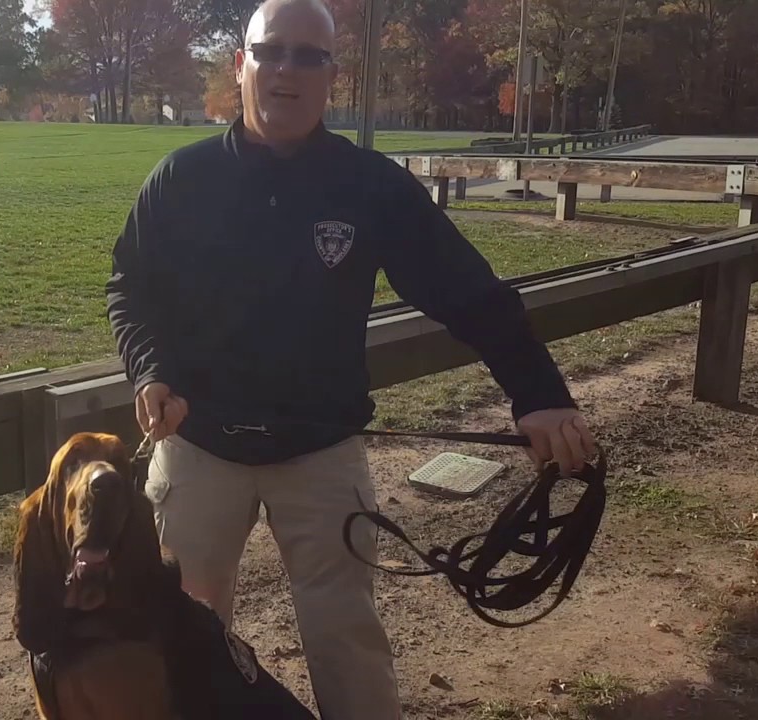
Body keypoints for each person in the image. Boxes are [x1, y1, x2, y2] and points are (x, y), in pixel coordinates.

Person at [103, 0, 598, 717]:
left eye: (310, 55)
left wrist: (538, 392)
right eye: (271, 51)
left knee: (348, 642)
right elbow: (131, 289)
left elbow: (470, 294)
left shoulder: (371, 186)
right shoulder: (180, 180)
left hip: (321, 452)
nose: (288, 70)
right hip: (199, 447)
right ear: (240, 64)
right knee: (182, 638)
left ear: (333, 75)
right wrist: (150, 370)